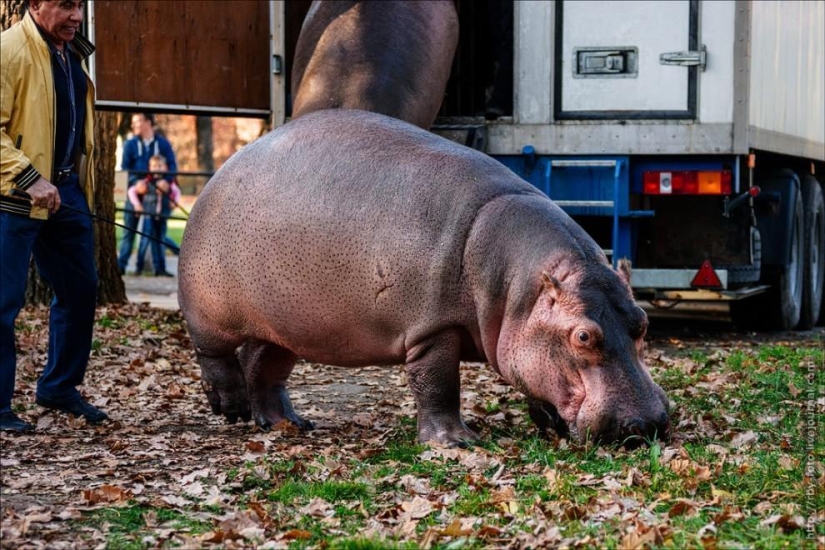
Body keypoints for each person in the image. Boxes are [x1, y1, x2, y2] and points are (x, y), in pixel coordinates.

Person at [0, 0, 108, 432]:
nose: (76, 16)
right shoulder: (9, 50)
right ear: (35, 5)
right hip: (12, 195)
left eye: (79, 5)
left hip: (64, 191)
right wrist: (29, 178)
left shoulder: (72, 54)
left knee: (81, 290)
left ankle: (59, 387)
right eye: (65, 5)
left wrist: (67, 185)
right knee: (2, 305)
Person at [117, 113, 177, 275]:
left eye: (137, 121)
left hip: (157, 196)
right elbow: (125, 169)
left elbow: (172, 166)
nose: (134, 125)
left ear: (148, 122)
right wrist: (136, 182)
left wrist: (166, 181)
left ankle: (160, 269)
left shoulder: (163, 144)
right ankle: (120, 267)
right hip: (136, 194)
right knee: (128, 232)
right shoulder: (130, 145)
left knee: (158, 233)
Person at [128, 154, 179, 277]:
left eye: (160, 166)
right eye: (154, 166)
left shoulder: (168, 182)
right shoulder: (146, 181)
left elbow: (177, 191)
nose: (157, 168)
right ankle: (138, 267)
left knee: (160, 241)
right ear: (150, 167)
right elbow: (131, 191)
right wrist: (137, 205)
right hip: (148, 216)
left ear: (165, 167)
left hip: (161, 216)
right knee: (144, 241)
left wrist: (174, 202)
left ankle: (160, 268)